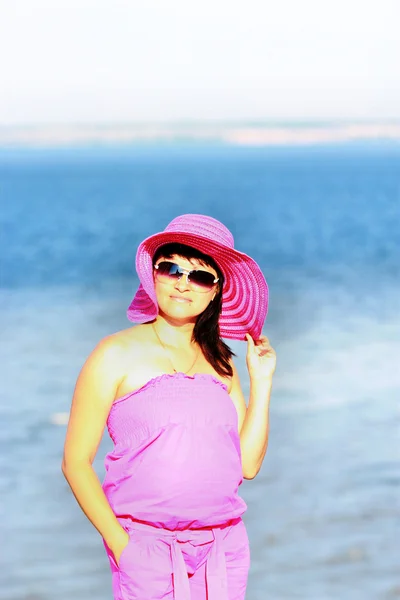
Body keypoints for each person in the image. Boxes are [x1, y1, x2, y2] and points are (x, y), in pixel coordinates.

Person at [61, 214, 276, 600]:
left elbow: (247, 465)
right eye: (171, 268)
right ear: (153, 276)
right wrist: (121, 544)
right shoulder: (114, 353)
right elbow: (76, 461)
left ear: (216, 290)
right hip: (146, 549)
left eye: (201, 276)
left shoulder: (222, 363)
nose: (183, 282)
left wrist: (262, 382)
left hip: (224, 547)